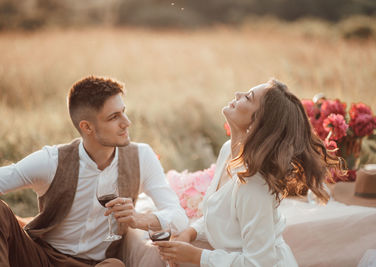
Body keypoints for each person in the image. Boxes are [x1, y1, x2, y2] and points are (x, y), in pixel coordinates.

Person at [0, 76, 188, 267]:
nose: (127, 122)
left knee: (115, 266)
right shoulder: (52, 161)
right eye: (114, 117)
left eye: (123, 112)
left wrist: (138, 218)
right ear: (86, 126)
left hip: (96, 264)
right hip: (41, 258)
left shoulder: (142, 157)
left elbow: (179, 218)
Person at [155, 79, 342, 266]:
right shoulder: (228, 150)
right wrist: (190, 233)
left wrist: (196, 256)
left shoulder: (253, 184)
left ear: (258, 123)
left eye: (248, 97)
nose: (237, 93)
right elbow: (223, 218)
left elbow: (258, 263)